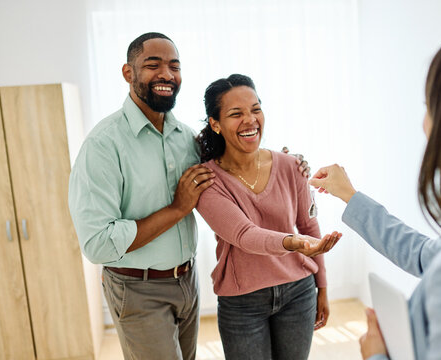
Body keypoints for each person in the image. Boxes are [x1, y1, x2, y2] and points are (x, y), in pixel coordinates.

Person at [69, 33, 311, 360]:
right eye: (153, 65)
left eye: (174, 66)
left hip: (187, 281)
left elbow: (233, 154)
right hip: (138, 288)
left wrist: (285, 161)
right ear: (128, 73)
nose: (166, 74)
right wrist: (176, 209)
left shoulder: (186, 139)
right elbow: (97, 243)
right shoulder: (103, 145)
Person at [309, 27, 441, 360]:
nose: (424, 124)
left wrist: (377, 355)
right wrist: (350, 195)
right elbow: (425, 253)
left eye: (430, 106)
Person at [195, 74, 342, 360]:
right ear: (215, 124)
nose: (249, 120)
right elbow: (244, 235)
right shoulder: (206, 180)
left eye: (255, 109)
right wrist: (296, 243)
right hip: (242, 302)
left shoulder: (291, 165)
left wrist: (321, 286)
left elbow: (308, 224)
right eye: (236, 114)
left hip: (298, 291)